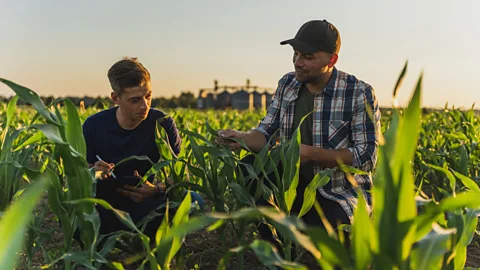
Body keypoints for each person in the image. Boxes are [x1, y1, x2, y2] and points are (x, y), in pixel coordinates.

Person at [217, 19, 381, 246]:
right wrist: (242, 138)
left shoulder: (358, 93)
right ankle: (275, 250)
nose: (298, 62)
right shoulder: (288, 84)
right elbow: (266, 133)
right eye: (295, 54)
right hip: (291, 186)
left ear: (331, 59)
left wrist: (309, 154)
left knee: (324, 240)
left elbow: (367, 156)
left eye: (308, 57)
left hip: (336, 191)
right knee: (248, 168)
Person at [82, 57, 202, 241]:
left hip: (146, 204)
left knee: (194, 201)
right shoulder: (93, 126)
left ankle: (153, 242)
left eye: (148, 96)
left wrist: (157, 189)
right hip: (104, 207)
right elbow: (78, 175)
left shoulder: (162, 123)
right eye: (135, 100)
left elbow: (181, 176)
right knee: (70, 211)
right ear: (116, 98)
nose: (144, 105)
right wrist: (93, 172)